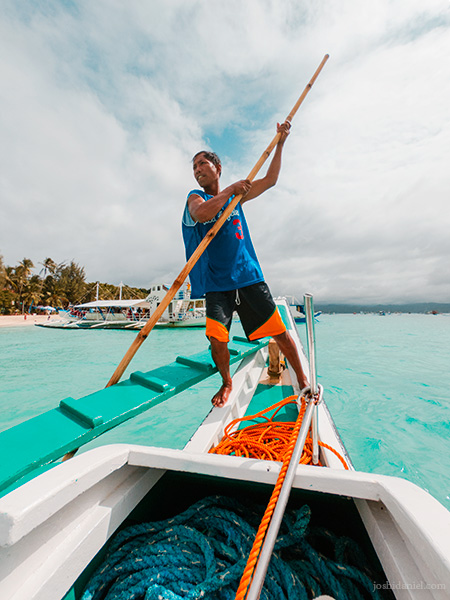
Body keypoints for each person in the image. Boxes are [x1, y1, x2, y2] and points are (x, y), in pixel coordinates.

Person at [182, 121, 309, 408]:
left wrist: (280, 143)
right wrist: (229, 190)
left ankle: (302, 379)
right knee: (216, 337)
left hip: (248, 276)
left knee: (279, 332)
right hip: (218, 283)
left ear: (217, 166)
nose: (197, 170)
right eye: (194, 167)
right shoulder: (197, 197)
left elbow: (271, 180)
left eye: (202, 164)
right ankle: (227, 381)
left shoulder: (237, 196)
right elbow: (201, 215)